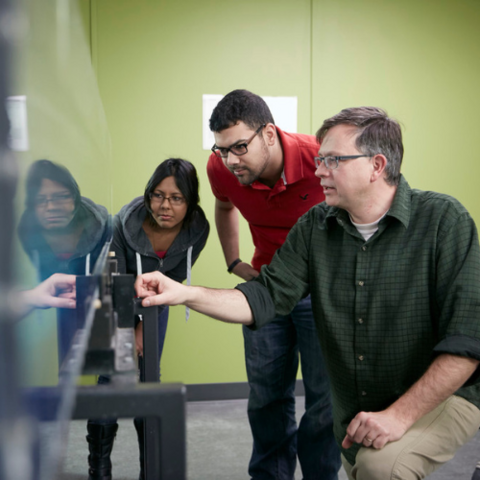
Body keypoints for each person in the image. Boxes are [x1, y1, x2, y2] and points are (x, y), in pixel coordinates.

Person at [135, 107, 480, 480]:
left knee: (382, 467)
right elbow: (264, 295)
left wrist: (399, 415)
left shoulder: (444, 221)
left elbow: (466, 341)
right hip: (359, 409)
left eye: (333, 160)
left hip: (437, 396)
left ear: (377, 165)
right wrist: (183, 293)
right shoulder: (316, 226)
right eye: (319, 160)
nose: (319, 172)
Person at [206, 89, 339, 480]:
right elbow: (224, 203)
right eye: (221, 150)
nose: (230, 160)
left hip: (321, 293)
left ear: (268, 133)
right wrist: (234, 262)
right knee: (265, 397)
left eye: (239, 147)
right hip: (267, 287)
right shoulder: (223, 169)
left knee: (324, 401)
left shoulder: (321, 158)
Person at [86, 158, 209, 480]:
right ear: (148, 194)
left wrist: (146, 325)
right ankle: (98, 468)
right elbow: (115, 284)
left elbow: (175, 281)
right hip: (114, 300)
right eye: (157, 195)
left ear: (191, 202)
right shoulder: (122, 225)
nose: (165, 205)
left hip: (157, 304)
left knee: (148, 380)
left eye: (176, 198)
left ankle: (149, 469)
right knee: (109, 380)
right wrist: (132, 328)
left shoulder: (198, 229)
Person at [18, 159, 109, 363]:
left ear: (75, 199)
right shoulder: (25, 234)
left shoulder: (103, 227)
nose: (51, 207)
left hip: (102, 310)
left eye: (61, 197)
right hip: (54, 312)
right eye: (41, 200)